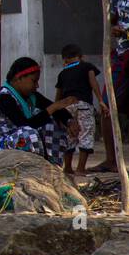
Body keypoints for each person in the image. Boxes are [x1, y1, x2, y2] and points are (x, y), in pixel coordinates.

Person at [0, 56, 79, 166]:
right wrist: (53, 108)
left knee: (52, 123)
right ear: (19, 78)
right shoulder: (5, 98)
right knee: (29, 133)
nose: (37, 85)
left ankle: (53, 166)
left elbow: (54, 109)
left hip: (14, 142)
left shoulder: (30, 96)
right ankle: (37, 167)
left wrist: (69, 120)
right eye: (34, 81)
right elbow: (25, 124)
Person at [55, 44, 106, 175]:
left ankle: (67, 168)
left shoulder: (62, 73)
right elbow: (93, 82)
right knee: (86, 135)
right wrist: (100, 100)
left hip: (67, 108)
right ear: (82, 57)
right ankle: (81, 168)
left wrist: (58, 112)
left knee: (70, 136)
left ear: (64, 60)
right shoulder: (87, 66)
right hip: (84, 106)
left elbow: (58, 96)